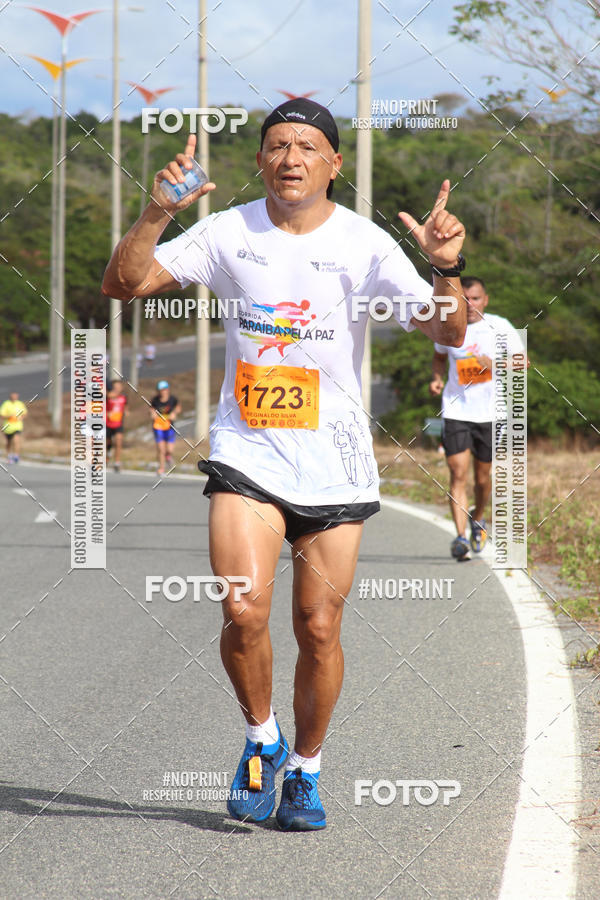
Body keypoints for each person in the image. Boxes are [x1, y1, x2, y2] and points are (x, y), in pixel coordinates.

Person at [102, 98, 467, 831]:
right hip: (248, 453)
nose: (290, 157)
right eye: (277, 145)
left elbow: (450, 330)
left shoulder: (364, 243)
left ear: (333, 164)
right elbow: (124, 285)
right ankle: (261, 737)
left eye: (306, 146)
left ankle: (305, 767)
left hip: (335, 464)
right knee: (242, 609)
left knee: (318, 628)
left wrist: (446, 267)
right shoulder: (228, 231)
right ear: (260, 159)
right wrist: (156, 212)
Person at [429, 276, 525, 560]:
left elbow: (523, 362)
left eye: (475, 298)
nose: (470, 304)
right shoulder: (448, 325)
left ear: (486, 300)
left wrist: (495, 364)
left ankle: (478, 517)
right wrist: (436, 378)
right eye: (465, 299)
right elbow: (439, 357)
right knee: (457, 472)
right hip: (456, 410)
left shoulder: (500, 326)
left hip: (490, 414)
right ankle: (460, 538)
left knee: (482, 479)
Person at [150, 380, 181, 475]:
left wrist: (174, 413)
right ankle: (161, 468)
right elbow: (151, 409)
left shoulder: (173, 399)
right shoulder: (155, 400)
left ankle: (168, 456)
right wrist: (152, 414)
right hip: (158, 427)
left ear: (168, 390)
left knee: (169, 450)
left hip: (169, 427)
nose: (163, 392)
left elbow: (178, 408)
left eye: (165, 389)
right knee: (161, 449)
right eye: (161, 390)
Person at [105, 379, 127, 472]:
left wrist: (126, 412)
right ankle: (108, 453)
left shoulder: (124, 397)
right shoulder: (108, 397)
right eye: (115, 387)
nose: (117, 389)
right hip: (108, 423)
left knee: (118, 441)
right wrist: (107, 413)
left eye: (119, 387)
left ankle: (117, 462)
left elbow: (126, 407)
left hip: (118, 423)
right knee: (107, 442)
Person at [1, 391, 27, 463]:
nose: (14, 397)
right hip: (8, 427)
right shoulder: (6, 404)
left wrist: (21, 417)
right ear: (10, 396)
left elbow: (25, 413)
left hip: (17, 426)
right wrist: (9, 416)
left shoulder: (20, 404)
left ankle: (16, 456)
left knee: (16, 440)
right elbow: (2, 415)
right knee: (9, 442)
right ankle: (9, 455)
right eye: (13, 396)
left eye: (15, 396)